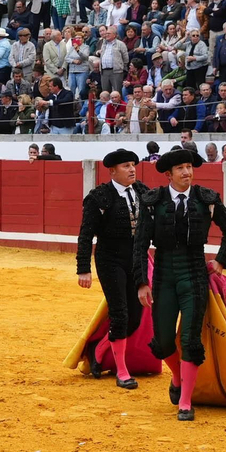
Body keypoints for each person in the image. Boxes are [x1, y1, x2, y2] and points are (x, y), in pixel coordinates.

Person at [134, 148, 226, 422]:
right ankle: (178, 377)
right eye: (180, 168)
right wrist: (142, 282)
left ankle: (185, 401)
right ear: (169, 174)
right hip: (164, 275)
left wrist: (221, 260)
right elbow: (140, 243)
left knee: (191, 339)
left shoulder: (207, 199)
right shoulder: (153, 201)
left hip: (194, 273)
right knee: (164, 339)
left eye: (189, 167)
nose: (187, 172)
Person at [75, 148, 147, 390]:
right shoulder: (99, 197)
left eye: (133, 165)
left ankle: (100, 348)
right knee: (120, 313)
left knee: (135, 317)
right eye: (126, 166)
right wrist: (83, 268)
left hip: (137, 260)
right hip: (110, 260)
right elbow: (86, 235)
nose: (132, 169)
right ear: (112, 171)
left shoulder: (142, 192)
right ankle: (122, 371)